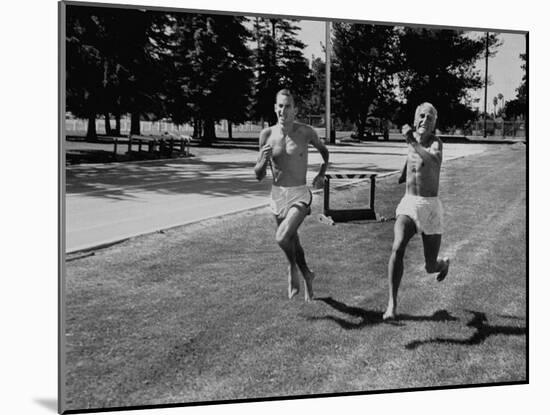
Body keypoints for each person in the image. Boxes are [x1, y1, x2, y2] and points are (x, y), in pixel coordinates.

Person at [254, 89, 329, 301]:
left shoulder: (305, 132)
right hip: (277, 195)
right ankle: (307, 274)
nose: (283, 111)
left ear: (295, 110)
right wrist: (261, 160)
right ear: (275, 108)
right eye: (280, 106)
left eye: (287, 106)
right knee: (293, 242)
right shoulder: (266, 135)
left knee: (282, 237)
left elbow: (325, 152)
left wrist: (322, 174)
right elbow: (259, 175)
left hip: (300, 194)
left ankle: (291, 269)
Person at [383, 102, 450, 320]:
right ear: (415, 120)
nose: (425, 120)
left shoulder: (436, 144)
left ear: (434, 125)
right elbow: (410, 159)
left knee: (430, 266)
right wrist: (402, 175)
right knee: (397, 246)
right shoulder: (411, 144)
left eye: (430, 118)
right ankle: (392, 305)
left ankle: (442, 264)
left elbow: (432, 161)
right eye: (421, 116)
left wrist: (412, 141)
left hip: (430, 208)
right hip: (409, 203)